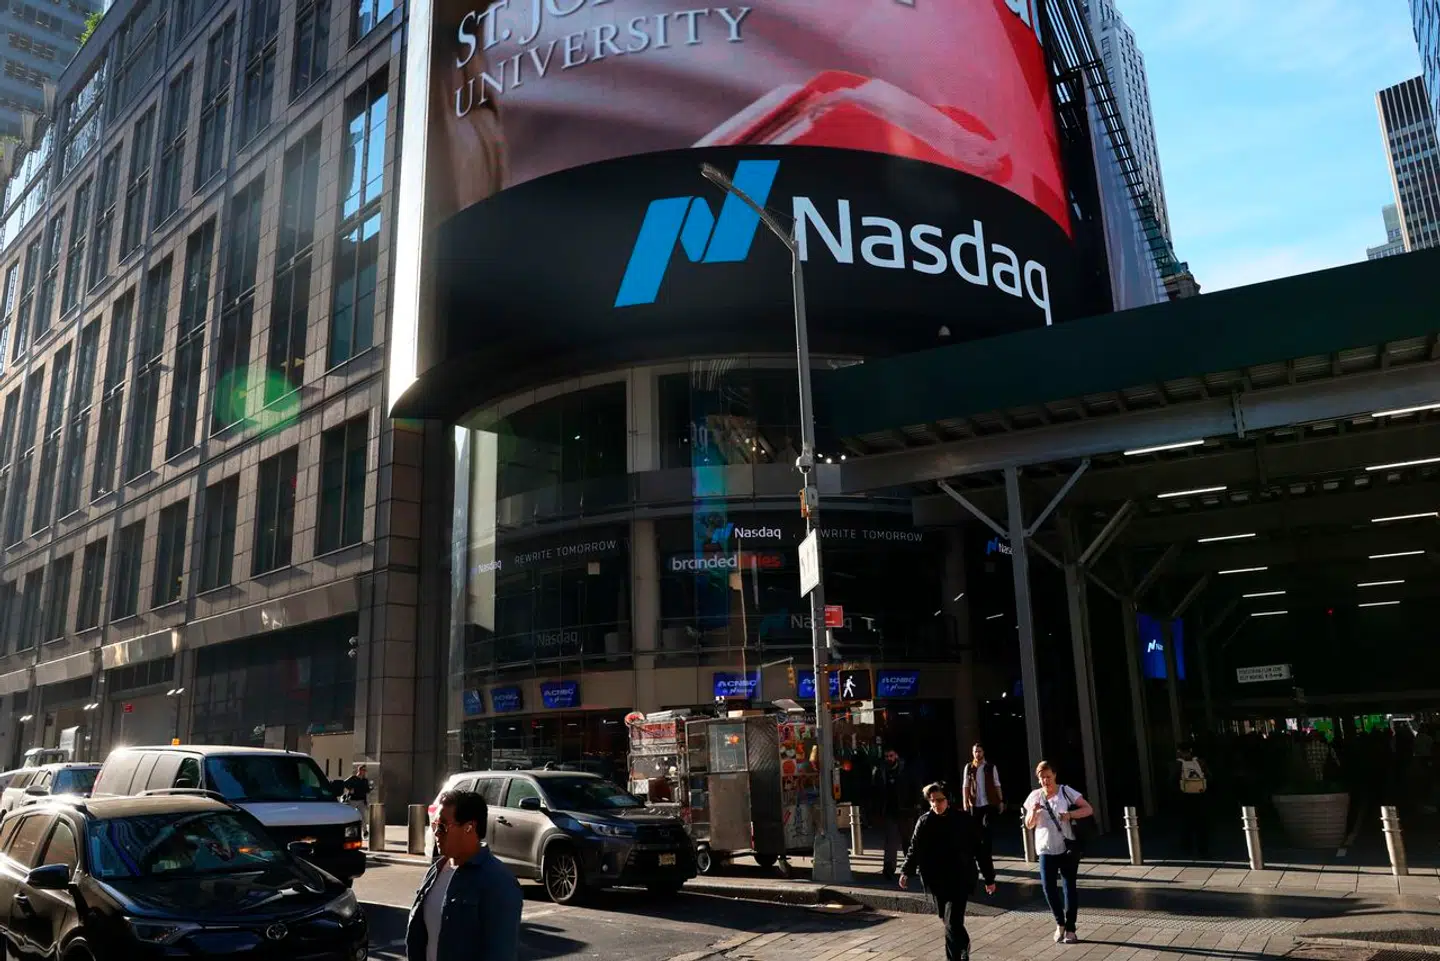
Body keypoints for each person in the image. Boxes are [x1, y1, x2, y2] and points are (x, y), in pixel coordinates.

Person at [406, 789, 523, 961]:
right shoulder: (436, 871)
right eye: (434, 825)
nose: (436, 833)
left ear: (469, 827)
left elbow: (500, 952)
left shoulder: (498, 882)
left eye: (443, 826)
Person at [899, 781, 996, 961]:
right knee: (946, 920)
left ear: (948, 800)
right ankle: (961, 946)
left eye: (940, 800)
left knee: (953, 921)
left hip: (960, 876)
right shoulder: (925, 822)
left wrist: (989, 878)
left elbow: (980, 849)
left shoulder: (963, 820)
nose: (937, 804)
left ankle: (959, 953)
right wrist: (906, 871)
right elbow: (915, 848)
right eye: (933, 801)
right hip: (936, 880)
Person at [1023, 761, 1093, 945]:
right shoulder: (1034, 797)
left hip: (1066, 848)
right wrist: (1034, 812)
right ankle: (1059, 923)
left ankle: (1071, 929)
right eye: (1042, 777)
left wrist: (1070, 815)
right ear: (1038, 779)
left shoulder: (1065, 791)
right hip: (1045, 849)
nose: (1046, 780)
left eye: (1048, 776)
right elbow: (1029, 825)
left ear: (1054, 775)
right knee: (1048, 889)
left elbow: (1088, 809)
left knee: (1069, 888)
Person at [871, 747, 920, 879]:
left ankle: (910, 867)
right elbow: (876, 792)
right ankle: (888, 869)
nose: (889, 759)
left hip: (905, 810)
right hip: (889, 811)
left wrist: (914, 805)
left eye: (891, 756)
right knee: (891, 841)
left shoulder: (905, 770)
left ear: (896, 756)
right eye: (886, 756)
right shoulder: (881, 771)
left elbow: (915, 787)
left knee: (907, 840)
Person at [961, 743, 1004, 862]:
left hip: (988, 802)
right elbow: (965, 785)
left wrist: (1000, 800)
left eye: (979, 751)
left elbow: (997, 784)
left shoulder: (990, 767)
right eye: (975, 751)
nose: (977, 754)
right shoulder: (969, 767)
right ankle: (977, 852)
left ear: (983, 752)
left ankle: (987, 853)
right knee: (975, 829)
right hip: (975, 803)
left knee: (987, 828)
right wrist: (965, 801)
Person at [1173, 743, 1210, 858]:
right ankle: (1203, 848)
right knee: (1201, 823)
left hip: (1184, 797)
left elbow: (1172, 780)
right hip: (1200, 795)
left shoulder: (1177, 764)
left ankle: (1186, 847)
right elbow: (1209, 776)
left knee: (1186, 823)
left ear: (1179, 751)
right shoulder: (1200, 762)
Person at [343, 765, 371, 838]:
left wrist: (367, 800)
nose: (364, 772)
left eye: (365, 770)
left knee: (363, 817)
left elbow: (367, 790)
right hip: (352, 800)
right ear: (359, 770)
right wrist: (350, 789)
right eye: (363, 770)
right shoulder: (353, 778)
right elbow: (344, 783)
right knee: (350, 816)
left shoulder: (365, 780)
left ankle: (365, 831)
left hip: (361, 801)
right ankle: (348, 831)